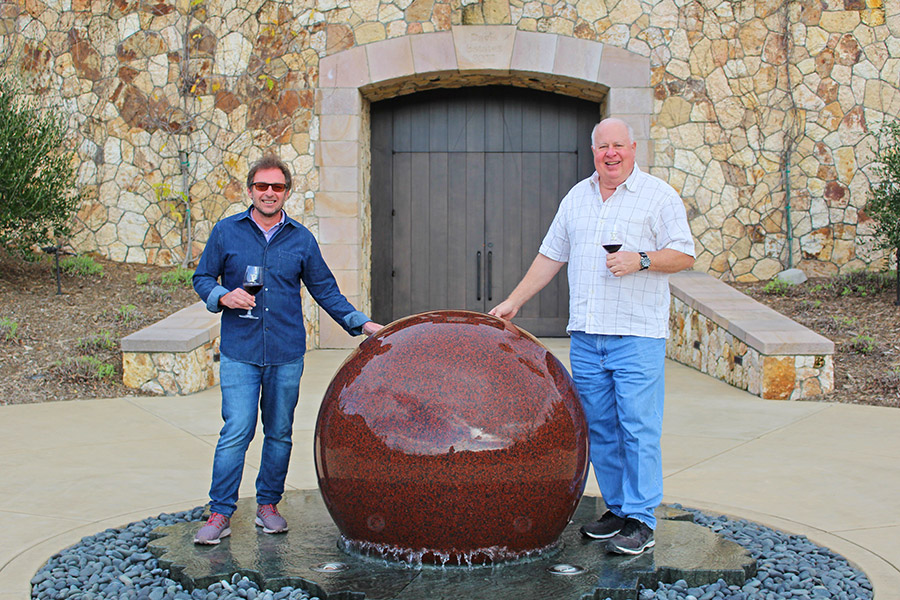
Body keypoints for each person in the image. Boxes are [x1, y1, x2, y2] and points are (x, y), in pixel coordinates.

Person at [490, 118, 695, 555]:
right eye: (603, 146)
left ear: (633, 148)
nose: (611, 153)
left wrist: (640, 259)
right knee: (599, 427)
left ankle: (641, 518)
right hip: (586, 337)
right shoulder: (577, 198)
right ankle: (619, 508)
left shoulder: (657, 196)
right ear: (593, 150)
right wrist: (515, 300)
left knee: (638, 428)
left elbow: (683, 253)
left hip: (636, 335)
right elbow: (551, 255)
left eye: (619, 145)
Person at [192, 155, 381, 544]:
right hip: (240, 352)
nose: (269, 193)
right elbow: (202, 277)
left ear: (286, 193)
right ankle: (220, 513)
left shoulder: (300, 239)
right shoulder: (227, 232)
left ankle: (267, 506)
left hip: (286, 353)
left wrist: (361, 324)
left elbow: (325, 290)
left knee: (279, 433)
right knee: (237, 431)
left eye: (277, 187)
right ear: (250, 191)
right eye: (262, 186)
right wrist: (223, 296)